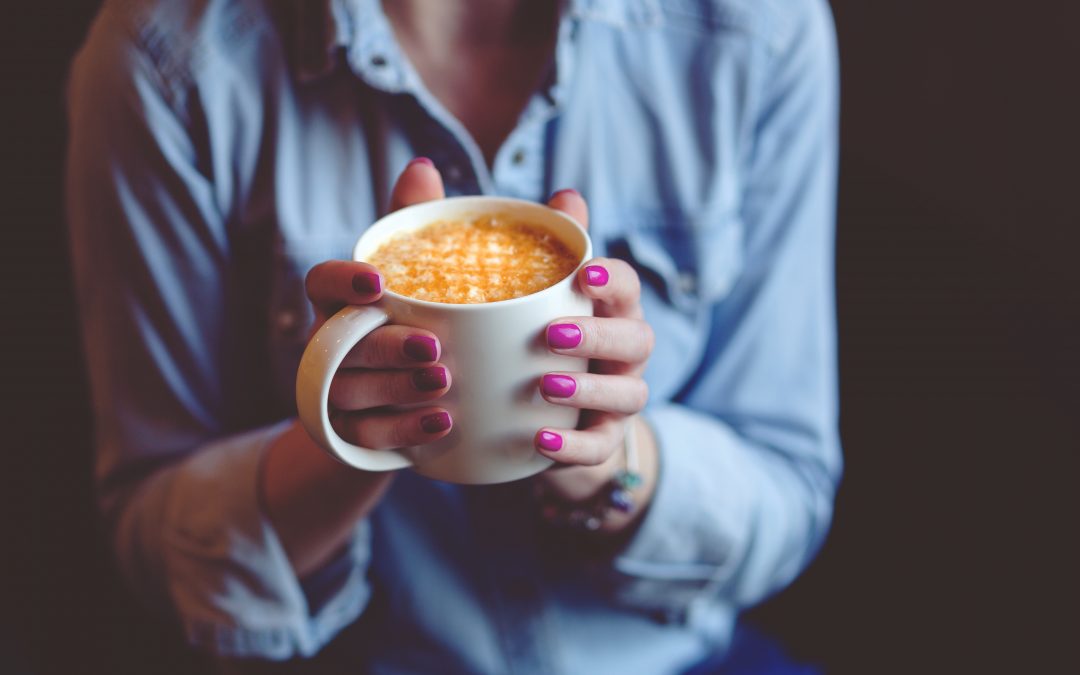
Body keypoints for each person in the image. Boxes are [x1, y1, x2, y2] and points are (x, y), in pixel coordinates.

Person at [66, 0, 841, 672]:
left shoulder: (755, 33)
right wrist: (347, 444)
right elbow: (149, 537)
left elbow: (790, 485)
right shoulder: (166, 61)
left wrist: (611, 461)